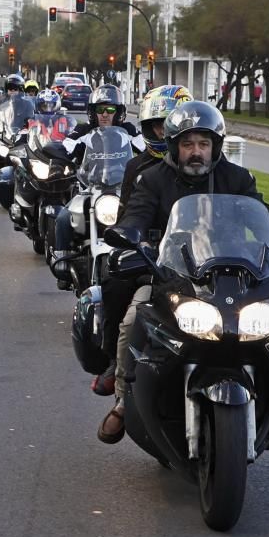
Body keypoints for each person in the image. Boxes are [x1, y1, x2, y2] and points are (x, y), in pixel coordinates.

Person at [98, 101, 269, 444]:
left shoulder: (236, 178)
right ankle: (123, 404)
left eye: (203, 144)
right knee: (131, 321)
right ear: (174, 146)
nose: (196, 152)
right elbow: (136, 217)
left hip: (229, 276)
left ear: (215, 146)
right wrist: (131, 239)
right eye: (188, 145)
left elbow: (263, 217)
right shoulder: (153, 180)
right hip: (168, 277)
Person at [85, 85, 194, 397]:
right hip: (155, 261)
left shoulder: (213, 166)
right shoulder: (139, 168)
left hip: (204, 262)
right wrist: (136, 244)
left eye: (173, 124)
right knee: (116, 284)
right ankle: (116, 376)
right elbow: (129, 218)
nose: (165, 131)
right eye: (159, 125)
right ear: (149, 127)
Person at [63, 84, 143, 159]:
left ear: (119, 112)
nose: (105, 114)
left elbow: (147, 149)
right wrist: (58, 165)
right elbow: (65, 146)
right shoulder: (83, 130)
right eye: (100, 109)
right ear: (93, 112)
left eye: (110, 110)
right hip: (87, 173)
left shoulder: (128, 131)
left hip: (123, 173)